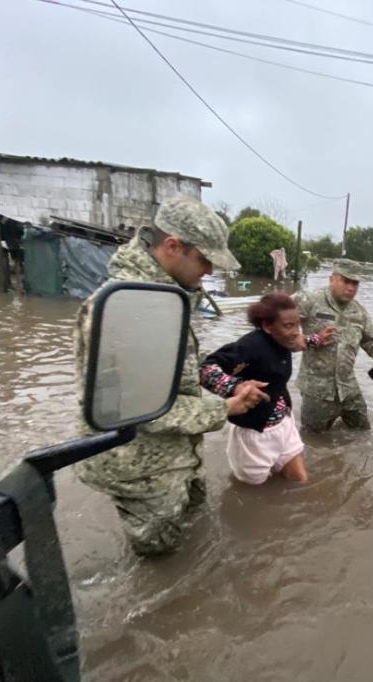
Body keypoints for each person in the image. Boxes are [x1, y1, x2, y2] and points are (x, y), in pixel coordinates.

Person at [73, 196, 269, 557]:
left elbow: (172, 382)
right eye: (204, 260)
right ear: (172, 246)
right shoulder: (128, 309)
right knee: (162, 562)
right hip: (141, 469)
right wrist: (225, 408)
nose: (210, 271)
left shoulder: (165, 298)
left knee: (193, 544)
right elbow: (139, 409)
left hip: (176, 455)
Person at [199, 293, 336, 485]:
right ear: (267, 326)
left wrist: (317, 340)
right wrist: (235, 387)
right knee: (251, 491)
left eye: (297, 324)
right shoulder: (251, 345)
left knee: (299, 480)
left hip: (283, 424)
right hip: (255, 433)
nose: (296, 331)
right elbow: (205, 369)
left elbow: (298, 342)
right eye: (288, 325)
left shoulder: (283, 339)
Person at [293, 259, 373, 431]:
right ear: (332, 279)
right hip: (317, 392)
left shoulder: (359, 312)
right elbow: (276, 323)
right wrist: (308, 340)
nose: (351, 288)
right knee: (313, 440)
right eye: (346, 281)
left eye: (355, 283)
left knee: (363, 432)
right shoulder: (309, 300)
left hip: (348, 388)